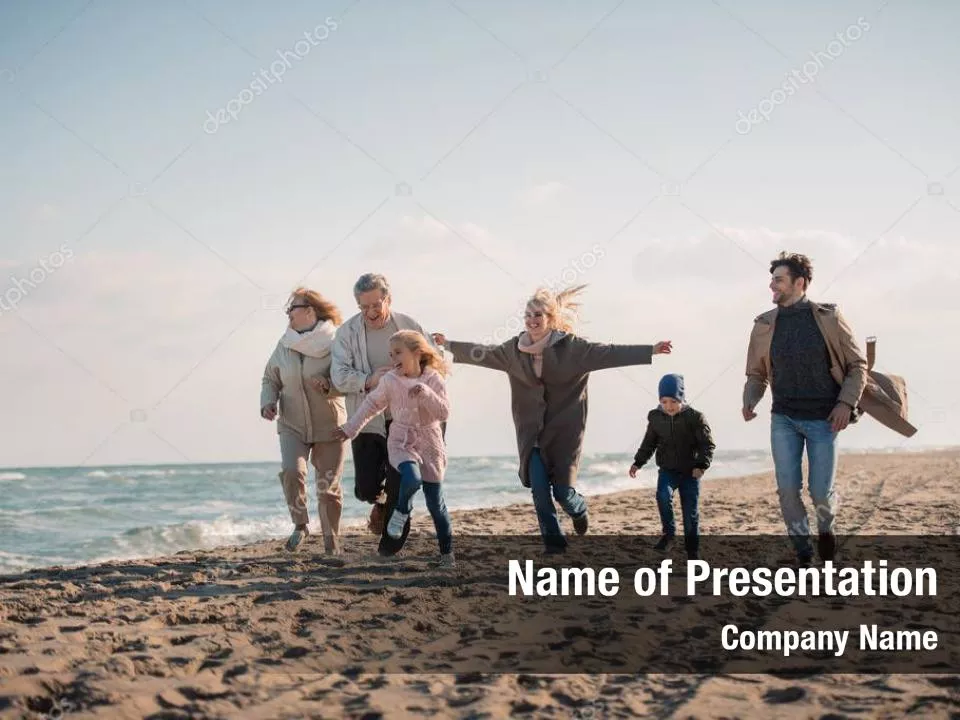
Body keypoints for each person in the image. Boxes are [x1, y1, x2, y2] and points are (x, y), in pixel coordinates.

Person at [433, 285, 672, 554]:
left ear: (550, 318)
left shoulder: (573, 348)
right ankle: (554, 544)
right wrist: (449, 344)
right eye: (528, 315)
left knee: (562, 493)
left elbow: (610, 352)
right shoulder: (513, 350)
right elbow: (483, 353)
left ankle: (578, 510)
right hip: (531, 434)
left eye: (538, 315)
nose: (532, 320)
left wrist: (651, 350)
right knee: (539, 490)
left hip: (565, 433)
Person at [742, 252, 868, 565]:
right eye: (772, 280)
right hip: (783, 418)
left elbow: (857, 365)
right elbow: (756, 374)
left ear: (799, 283)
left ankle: (826, 528)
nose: (772, 285)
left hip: (825, 419)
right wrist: (750, 399)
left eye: (779, 280)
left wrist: (845, 403)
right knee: (787, 489)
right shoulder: (764, 324)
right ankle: (803, 551)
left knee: (820, 492)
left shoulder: (829, 318)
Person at [331, 273, 441, 555]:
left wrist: (413, 380)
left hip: (405, 419)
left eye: (375, 305)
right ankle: (379, 502)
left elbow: (433, 361)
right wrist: (369, 380)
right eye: (363, 307)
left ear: (388, 299)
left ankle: (390, 547)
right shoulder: (347, 333)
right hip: (368, 417)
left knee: (399, 479)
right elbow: (339, 376)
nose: (370, 312)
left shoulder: (408, 325)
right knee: (366, 488)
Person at [333, 330, 453, 564]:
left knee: (436, 505)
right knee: (411, 478)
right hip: (401, 440)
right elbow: (371, 405)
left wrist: (425, 393)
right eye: (391, 354)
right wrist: (350, 428)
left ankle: (447, 553)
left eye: (398, 352)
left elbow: (444, 412)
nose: (393, 358)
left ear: (417, 353)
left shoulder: (434, 379)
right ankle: (401, 511)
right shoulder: (390, 380)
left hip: (430, 443)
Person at [261, 288, 347, 554]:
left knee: (327, 488)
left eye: (292, 308)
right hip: (292, 423)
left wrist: (329, 385)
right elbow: (270, 378)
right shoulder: (284, 344)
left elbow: (348, 379)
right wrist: (267, 401)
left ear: (309, 311)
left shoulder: (336, 342)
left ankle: (331, 544)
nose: (288, 313)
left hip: (330, 425)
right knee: (292, 471)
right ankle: (301, 525)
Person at [629, 373, 715, 560]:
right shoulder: (655, 418)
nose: (669, 406)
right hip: (667, 471)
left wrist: (701, 465)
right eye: (664, 401)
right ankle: (669, 535)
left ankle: (692, 551)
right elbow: (649, 443)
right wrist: (638, 462)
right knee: (662, 496)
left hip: (690, 473)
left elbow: (707, 445)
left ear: (682, 398)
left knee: (690, 513)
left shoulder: (695, 418)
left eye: (673, 401)